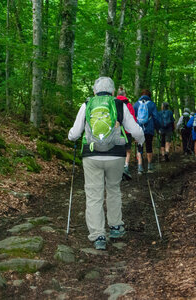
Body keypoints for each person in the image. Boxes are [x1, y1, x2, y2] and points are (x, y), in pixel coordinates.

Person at [68, 77, 144, 250]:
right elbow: (135, 130)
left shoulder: (87, 104)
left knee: (94, 194)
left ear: (94, 91)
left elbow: (74, 133)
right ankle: (116, 227)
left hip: (91, 154)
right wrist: (141, 141)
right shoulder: (118, 105)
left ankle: (98, 235)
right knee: (113, 189)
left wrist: (71, 137)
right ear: (112, 91)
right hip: (116, 154)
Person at [133, 89, 161, 173]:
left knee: (139, 147)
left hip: (139, 129)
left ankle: (140, 167)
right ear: (149, 96)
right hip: (149, 128)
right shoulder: (152, 104)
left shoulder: (136, 104)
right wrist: (157, 128)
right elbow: (156, 117)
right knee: (149, 146)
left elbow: (133, 118)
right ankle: (149, 167)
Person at [116, 86, 136, 179]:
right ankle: (125, 167)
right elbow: (132, 118)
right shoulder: (128, 105)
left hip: (116, 130)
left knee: (117, 148)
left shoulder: (113, 103)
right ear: (125, 94)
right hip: (126, 131)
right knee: (127, 149)